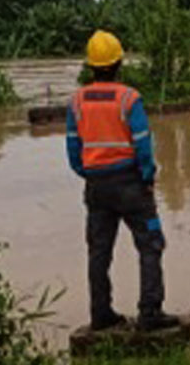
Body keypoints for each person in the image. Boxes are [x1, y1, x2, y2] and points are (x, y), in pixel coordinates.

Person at [66, 30, 179, 332]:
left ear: (91, 65)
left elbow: (73, 149)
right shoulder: (129, 98)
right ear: (119, 63)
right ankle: (150, 312)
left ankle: (100, 314)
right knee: (151, 245)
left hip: (96, 187)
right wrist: (147, 177)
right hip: (131, 185)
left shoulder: (77, 101)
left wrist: (89, 173)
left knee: (99, 252)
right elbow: (143, 144)